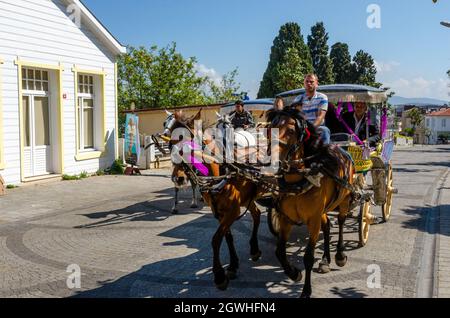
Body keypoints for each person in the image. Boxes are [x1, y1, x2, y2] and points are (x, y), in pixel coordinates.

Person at [291, 74, 331, 144]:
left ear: (316, 84)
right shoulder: (298, 98)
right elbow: (295, 115)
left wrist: (311, 128)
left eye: (311, 82)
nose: (309, 83)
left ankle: (324, 153)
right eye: (307, 81)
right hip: (301, 127)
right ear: (304, 83)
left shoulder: (322, 97)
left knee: (325, 131)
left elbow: (321, 116)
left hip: (316, 127)